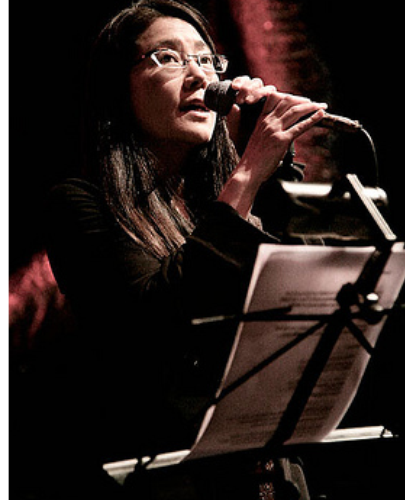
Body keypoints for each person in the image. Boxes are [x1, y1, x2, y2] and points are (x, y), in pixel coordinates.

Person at [45, 0, 327, 497]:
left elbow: (305, 299)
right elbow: (154, 320)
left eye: (206, 59)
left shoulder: (223, 199)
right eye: (169, 58)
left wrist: (265, 168)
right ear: (118, 87)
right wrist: (246, 175)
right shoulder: (80, 204)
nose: (199, 76)